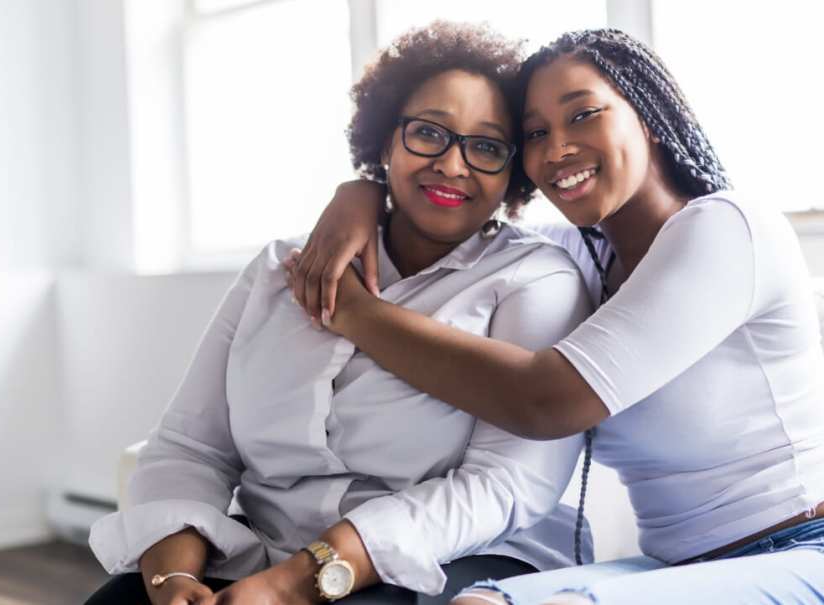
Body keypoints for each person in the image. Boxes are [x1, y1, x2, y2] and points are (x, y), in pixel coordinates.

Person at [284, 29, 824, 604]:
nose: (557, 149)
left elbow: (545, 400)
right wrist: (364, 190)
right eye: (536, 134)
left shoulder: (728, 229)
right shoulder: (576, 257)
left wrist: (350, 311)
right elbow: (458, 221)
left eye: (582, 116)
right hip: (690, 569)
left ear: (650, 115)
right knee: (476, 598)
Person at [85, 22, 596, 605]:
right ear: (384, 142)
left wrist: (294, 585)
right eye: (428, 132)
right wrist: (172, 581)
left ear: (513, 172)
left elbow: (502, 486)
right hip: (268, 549)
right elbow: (192, 446)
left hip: (446, 558)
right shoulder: (280, 268)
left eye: (485, 146)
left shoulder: (535, 280)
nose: (453, 166)